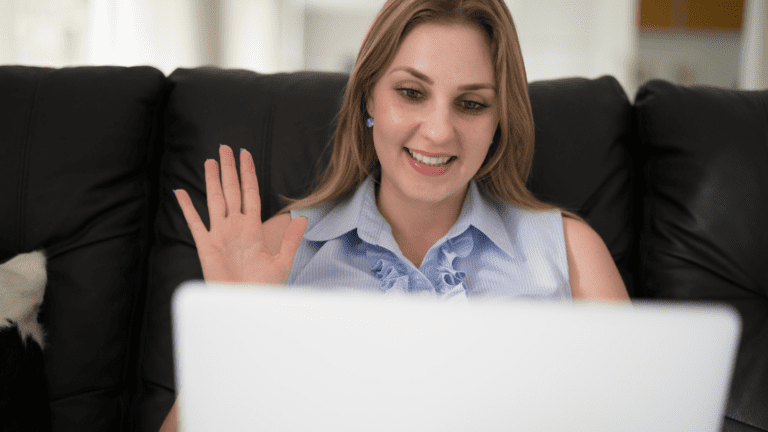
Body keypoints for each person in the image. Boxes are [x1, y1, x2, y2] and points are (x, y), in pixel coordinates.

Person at [162, 0, 629, 429]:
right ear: (369, 97)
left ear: (499, 121)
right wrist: (233, 337)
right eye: (410, 92)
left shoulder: (569, 252)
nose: (439, 131)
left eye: (471, 104)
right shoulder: (275, 250)